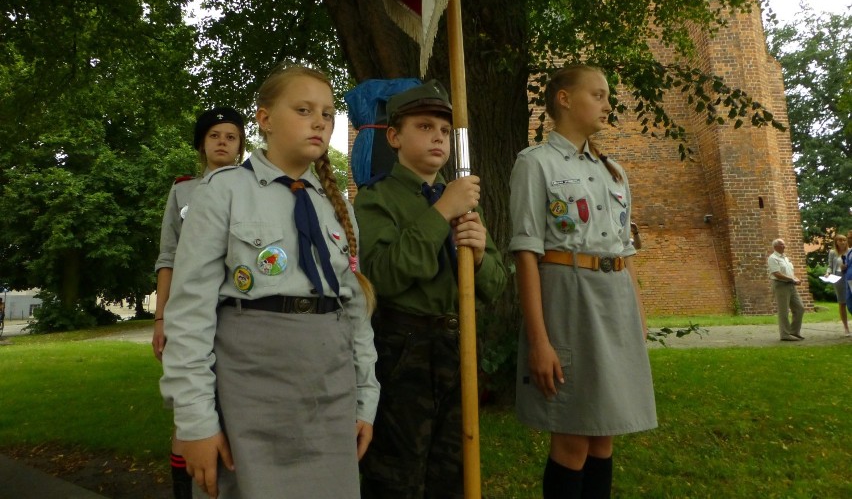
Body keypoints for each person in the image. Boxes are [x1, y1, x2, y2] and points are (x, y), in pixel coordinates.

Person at [160, 64, 379, 499]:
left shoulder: (336, 206)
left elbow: (354, 310)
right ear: (264, 119)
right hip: (251, 389)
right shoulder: (222, 192)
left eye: (329, 114)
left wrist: (365, 397)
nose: (320, 121)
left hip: (330, 386)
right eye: (303, 109)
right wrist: (196, 421)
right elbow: (189, 316)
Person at [354, 79, 508, 499]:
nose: (438, 137)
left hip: (459, 344)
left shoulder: (461, 200)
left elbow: (496, 284)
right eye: (424, 127)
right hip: (403, 348)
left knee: (455, 470)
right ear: (394, 136)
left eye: (443, 130)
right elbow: (382, 275)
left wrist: (478, 257)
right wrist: (442, 212)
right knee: (396, 475)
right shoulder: (375, 200)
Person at [509, 64, 657, 499]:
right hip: (569, 299)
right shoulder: (535, 163)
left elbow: (624, 251)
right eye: (598, 94)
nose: (607, 104)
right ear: (565, 99)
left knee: (604, 433)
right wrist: (539, 341)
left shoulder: (614, 172)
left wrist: (639, 317)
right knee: (573, 435)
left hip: (615, 304)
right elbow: (526, 252)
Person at [152, 106, 246, 499]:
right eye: (214, 136)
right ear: (201, 144)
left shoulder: (250, 188)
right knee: (188, 409)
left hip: (236, 311)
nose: (222, 143)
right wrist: (161, 319)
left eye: (230, 137)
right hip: (192, 314)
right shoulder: (183, 191)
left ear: (241, 146)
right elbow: (169, 257)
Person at [767, 238, 805, 341]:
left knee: (800, 308)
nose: (784, 246)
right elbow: (777, 274)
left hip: (791, 285)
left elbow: (789, 272)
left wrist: (795, 278)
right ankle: (785, 334)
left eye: (784, 244)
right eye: (781, 245)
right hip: (781, 285)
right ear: (775, 247)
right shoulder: (773, 258)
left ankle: (794, 332)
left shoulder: (785, 258)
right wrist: (792, 279)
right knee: (783, 310)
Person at [825, 233, 850, 336]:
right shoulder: (832, 253)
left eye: (844, 240)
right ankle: (846, 328)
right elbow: (830, 265)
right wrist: (828, 273)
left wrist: (846, 267)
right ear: (836, 242)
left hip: (849, 277)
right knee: (842, 302)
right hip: (838, 278)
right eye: (840, 240)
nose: (842, 242)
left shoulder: (850, 251)